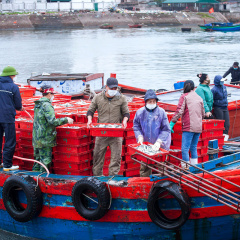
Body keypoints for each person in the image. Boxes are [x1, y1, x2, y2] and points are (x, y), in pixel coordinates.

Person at [87, 77, 130, 176]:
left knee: (116, 159)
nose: (113, 90)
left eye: (115, 88)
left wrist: (124, 121)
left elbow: (126, 113)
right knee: (97, 157)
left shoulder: (122, 98)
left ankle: (112, 179)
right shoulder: (98, 97)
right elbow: (90, 110)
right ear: (106, 87)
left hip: (116, 134)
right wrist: (89, 120)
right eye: (111, 88)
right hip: (101, 133)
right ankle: (97, 178)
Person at [32, 85, 74, 172]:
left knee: (37, 161)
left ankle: (32, 181)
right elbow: (53, 122)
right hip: (45, 139)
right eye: (52, 94)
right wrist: (66, 119)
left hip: (36, 137)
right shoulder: (47, 105)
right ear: (49, 94)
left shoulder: (37, 104)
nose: (53, 96)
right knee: (45, 161)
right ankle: (41, 181)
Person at [133, 89, 171, 177]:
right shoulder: (140, 112)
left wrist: (159, 141)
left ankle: (163, 183)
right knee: (145, 167)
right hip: (146, 144)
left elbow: (166, 129)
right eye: (150, 101)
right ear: (146, 102)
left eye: (154, 101)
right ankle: (145, 184)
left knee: (162, 167)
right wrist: (139, 136)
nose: (152, 103)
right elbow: (136, 126)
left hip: (160, 145)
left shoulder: (161, 112)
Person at [170, 80, 205, 167]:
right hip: (198, 127)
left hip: (188, 127)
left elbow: (179, 111)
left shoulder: (184, 97)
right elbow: (203, 114)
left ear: (184, 87)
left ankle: (186, 169)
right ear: (194, 87)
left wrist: (172, 123)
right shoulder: (199, 98)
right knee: (193, 147)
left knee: (185, 149)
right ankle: (195, 168)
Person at [0, 66, 22, 171]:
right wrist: (19, 107)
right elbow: (18, 105)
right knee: (10, 141)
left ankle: (0, 163)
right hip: (7, 117)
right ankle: (7, 165)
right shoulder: (13, 87)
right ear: (11, 75)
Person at [211, 75, 230, 141]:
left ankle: (225, 137)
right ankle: (219, 138)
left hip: (225, 107)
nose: (223, 82)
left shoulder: (224, 87)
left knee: (227, 124)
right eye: (221, 81)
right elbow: (211, 99)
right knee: (220, 124)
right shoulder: (214, 89)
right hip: (218, 108)